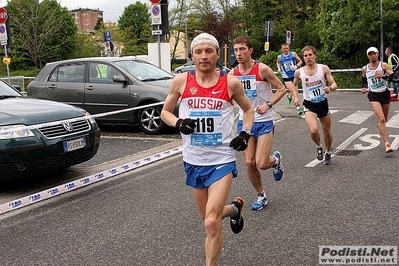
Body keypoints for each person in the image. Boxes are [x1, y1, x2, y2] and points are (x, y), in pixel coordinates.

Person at [161, 32, 254, 266]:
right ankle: (233, 209)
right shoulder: (181, 81)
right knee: (208, 219)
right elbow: (165, 112)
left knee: (211, 223)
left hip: (221, 159)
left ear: (217, 54)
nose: (204, 56)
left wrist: (244, 134)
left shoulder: (229, 82)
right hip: (193, 160)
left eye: (209, 51)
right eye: (198, 52)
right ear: (192, 55)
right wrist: (178, 123)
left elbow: (249, 110)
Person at [230, 36, 285, 211]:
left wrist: (268, 104)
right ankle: (261, 195)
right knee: (249, 163)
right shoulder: (233, 74)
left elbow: (281, 88)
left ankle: (275, 160)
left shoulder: (262, 69)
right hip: (246, 122)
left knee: (262, 163)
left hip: (264, 121)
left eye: (242, 49)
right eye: (236, 50)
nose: (238, 53)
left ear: (250, 50)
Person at [291, 46, 338, 165]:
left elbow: (334, 84)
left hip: (322, 103)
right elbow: (294, 85)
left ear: (315, 55)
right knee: (313, 130)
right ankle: (319, 146)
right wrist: (296, 97)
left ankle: (328, 152)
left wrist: (330, 88)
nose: (308, 57)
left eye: (310, 55)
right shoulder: (299, 72)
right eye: (305, 56)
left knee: (327, 132)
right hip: (309, 104)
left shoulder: (323, 68)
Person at [361, 46, 396, 153]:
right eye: (370, 54)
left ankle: (380, 127)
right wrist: (363, 86)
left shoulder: (383, 65)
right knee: (381, 119)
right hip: (373, 95)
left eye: (374, 53)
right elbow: (363, 78)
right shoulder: (365, 68)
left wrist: (383, 77)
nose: (372, 56)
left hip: (384, 94)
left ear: (378, 54)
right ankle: (387, 144)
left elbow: (395, 78)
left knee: (384, 119)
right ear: (368, 56)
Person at [277, 43, 304, 115]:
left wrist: (296, 66)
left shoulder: (293, 54)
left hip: (294, 75)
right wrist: (279, 68)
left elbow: (300, 61)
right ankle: (298, 108)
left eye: (287, 48)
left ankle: (289, 96)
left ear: (289, 48)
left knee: (295, 92)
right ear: (282, 49)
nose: (285, 50)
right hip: (286, 76)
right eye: (284, 49)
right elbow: (278, 63)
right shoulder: (280, 57)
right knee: (293, 90)